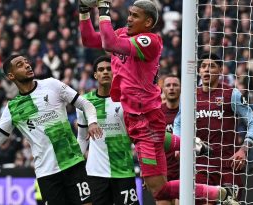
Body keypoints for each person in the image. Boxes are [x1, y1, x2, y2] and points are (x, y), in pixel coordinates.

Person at [0, 54, 102, 205]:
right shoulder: (12, 108)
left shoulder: (51, 84)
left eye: (27, 62)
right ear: (11, 75)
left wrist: (93, 122)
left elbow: (86, 104)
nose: (27, 65)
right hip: (47, 173)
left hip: (73, 163)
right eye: (20, 65)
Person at [79, 0, 171, 203]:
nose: (129, 18)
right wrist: (84, 10)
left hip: (145, 116)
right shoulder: (121, 33)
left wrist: (103, 8)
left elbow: (109, 44)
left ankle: (210, 192)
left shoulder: (150, 40)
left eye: (135, 16)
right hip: (134, 116)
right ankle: (193, 146)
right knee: (160, 189)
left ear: (148, 22)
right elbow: (89, 40)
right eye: (129, 14)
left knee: (158, 188)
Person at [179, 53, 253, 204]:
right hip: (200, 166)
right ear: (199, 71)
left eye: (212, 66)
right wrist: (178, 146)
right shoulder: (191, 95)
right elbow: (178, 123)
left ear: (220, 70)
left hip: (227, 165)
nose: (207, 70)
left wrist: (243, 149)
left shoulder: (231, 94)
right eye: (203, 66)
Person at [76, 55, 138, 205]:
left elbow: (138, 136)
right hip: (95, 173)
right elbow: (82, 138)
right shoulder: (85, 103)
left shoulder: (127, 99)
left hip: (124, 170)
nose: (105, 72)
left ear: (115, 72)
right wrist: (75, 168)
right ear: (95, 75)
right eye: (101, 70)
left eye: (109, 69)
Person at [161, 74, 181, 181]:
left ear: (181, 88)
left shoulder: (190, 111)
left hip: (186, 171)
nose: (172, 88)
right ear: (163, 89)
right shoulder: (157, 113)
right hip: (163, 171)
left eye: (175, 85)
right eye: (168, 85)